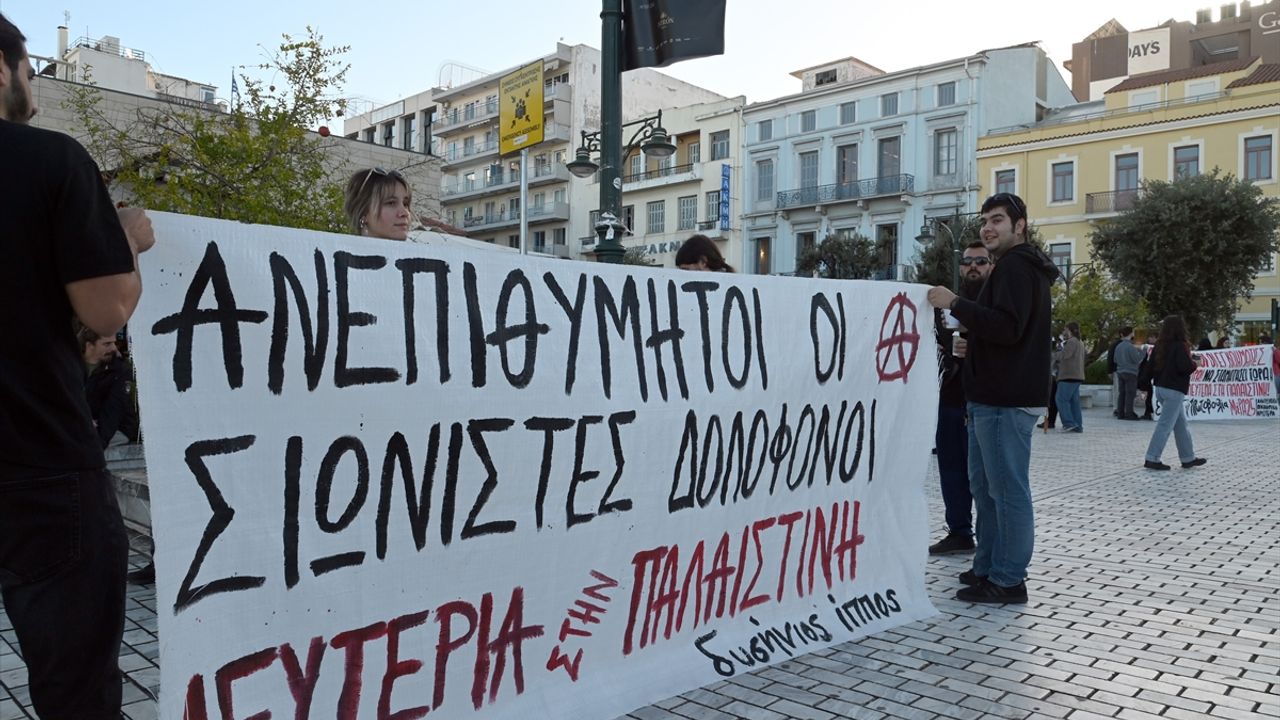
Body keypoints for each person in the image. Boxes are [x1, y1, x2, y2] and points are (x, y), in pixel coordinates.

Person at [0, 13, 156, 717]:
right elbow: (106, 311)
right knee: (77, 690)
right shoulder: (49, 161)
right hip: (37, 470)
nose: (32, 81)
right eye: (28, 66)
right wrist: (119, 241)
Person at [927, 192, 1057, 605]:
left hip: (1005, 399)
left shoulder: (1017, 267)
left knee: (1006, 492)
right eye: (985, 220)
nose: (988, 227)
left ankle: (1008, 579)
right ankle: (988, 566)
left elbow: (1007, 327)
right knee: (986, 489)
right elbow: (1006, 332)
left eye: (998, 220)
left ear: (1020, 225)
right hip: (993, 395)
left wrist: (956, 304)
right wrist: (973, 345)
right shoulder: (1014, 268)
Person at [929, 241, 993, 556]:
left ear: (991, 266)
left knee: (983, 476)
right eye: (968, 261)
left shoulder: (998, 303)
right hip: (951, 398)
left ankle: (990, 540)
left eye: (981, 261)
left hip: (985, 401)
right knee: (951, 468)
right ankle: (959, 531)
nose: (973, 267)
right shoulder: (944, 308)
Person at [1144, 315, 1206, 470]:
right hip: (1174, 390)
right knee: (1165, 425)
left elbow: (1150, 366)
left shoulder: (1160, 345)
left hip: (1160, 388)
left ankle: (1188, 457)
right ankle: (1152, 457)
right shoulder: (1180, 345)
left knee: (1180, 425)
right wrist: (1195, 364)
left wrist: (1143, 385)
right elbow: (1184, 367)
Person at [77, 322, 140, 447]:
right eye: (107, 344)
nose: (114, 348)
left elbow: (113, 412)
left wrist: (96, 445)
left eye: (114, 342)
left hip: (116, 429)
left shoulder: (119, 371)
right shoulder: (72, 366)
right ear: (90, 345)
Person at [344, 166, 414, 241]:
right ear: (363, 212)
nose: (405, 213)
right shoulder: (335, 249)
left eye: (405, 204)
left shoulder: (421, 251)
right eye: (391, 203)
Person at [1054, 322, 1086, 432]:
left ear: (1070, 330)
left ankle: (1069, 423)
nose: (1063, 332)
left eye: (1065, 329)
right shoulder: (1080, 342)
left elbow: (1065, 355)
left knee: (1060, 399)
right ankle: (1077, 425)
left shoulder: (1071, 342)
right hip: (1077, 375)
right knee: (1074, 403)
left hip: (1068, 375)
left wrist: (1056, 353)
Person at [1113, 326, 1146, 420]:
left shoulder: (1118, 346)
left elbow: (1115, 360)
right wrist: (1143, 351)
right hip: (1131, 372)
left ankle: (1120, 413)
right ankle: (1129, 413)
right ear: (1131, 333)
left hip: (1120, 372)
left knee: (1122, 393)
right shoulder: (1130, 346)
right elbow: (1137, 359)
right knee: (1130, 393)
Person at [1107, 328, 1125, 417]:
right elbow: (1110, 358)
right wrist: (1110, 370)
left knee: (1119, 390)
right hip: (1117, 369)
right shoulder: (1115, 345)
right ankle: (1117, 408)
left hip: (1119, 369)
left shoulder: (1116, 344)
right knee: (1117, 389)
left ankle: (1120, 407)